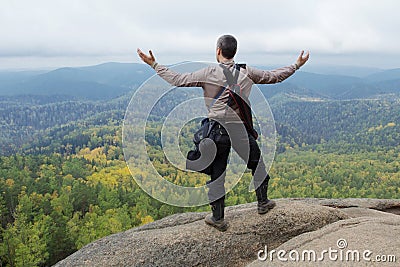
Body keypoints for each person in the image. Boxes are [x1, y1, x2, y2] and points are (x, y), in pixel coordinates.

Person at [137, 34, 309, 232]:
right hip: (240, 129)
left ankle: (218, 218)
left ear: (218, 50)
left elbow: (177, 79)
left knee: (218, 175)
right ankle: (263, 203)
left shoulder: (208, 72)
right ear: (234, 52)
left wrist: (154, 64)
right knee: (257, 164)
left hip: (217, 132)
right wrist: (296, 65)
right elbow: (274, 76)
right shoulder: (247, 72)